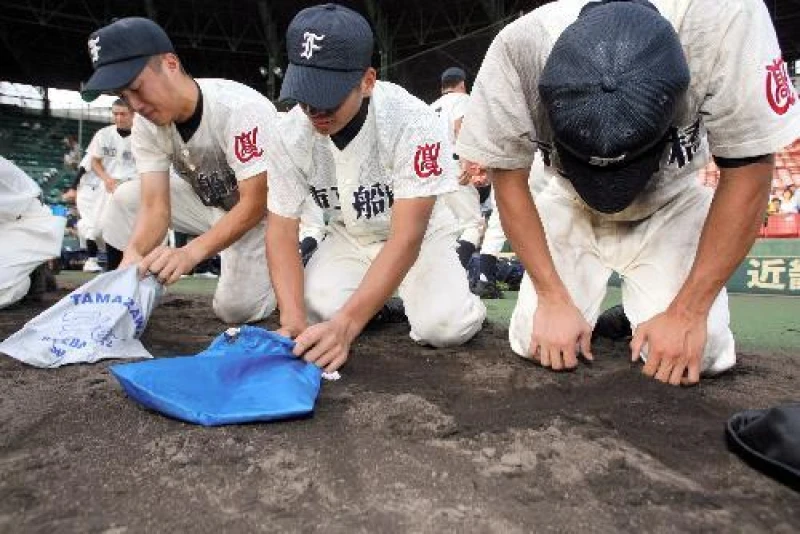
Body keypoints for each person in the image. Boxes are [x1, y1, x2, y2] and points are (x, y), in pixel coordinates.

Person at [457, 0, 800, 385]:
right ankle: (631, 305)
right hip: (569, 197)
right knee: (532, 341)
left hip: (670, 198)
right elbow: (508, 175)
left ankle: (639, 308)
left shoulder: (724, 19)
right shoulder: (520, 46)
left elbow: (750, 167)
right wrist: (551, 297)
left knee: (700, 355)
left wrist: (688, 312)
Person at [266, 3, 486, 372]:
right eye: (305, 92)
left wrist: (347, 326)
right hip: (350, 235)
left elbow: (406, 237)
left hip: (419, 237)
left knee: (444, 326)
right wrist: (291, 318)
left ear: (367, 81)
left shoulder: (412, 120)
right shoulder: (288, 132)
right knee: (316, 309)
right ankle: (382, 304)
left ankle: (460, 295)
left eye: (328, 93)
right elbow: (280, 231)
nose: (314, 108)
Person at [81, 17, 280, 323]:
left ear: (170, 64)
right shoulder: (146, 124)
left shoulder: (240, 108)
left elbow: (255, 204)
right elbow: (154, 206)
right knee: (124, 197)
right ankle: (127, 289)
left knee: (235, 310)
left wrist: (191, 253)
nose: (135, 106)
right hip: (210, 204)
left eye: (137, 88)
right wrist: (133, 255)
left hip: (265, 217)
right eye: (124, 96)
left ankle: (297, 261)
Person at [430, 67, 485, 269]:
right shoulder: (463, 99)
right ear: (462, 84)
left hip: (432, 171)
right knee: (473, 225)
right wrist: (467, 162)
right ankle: (454, 275)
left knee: (447, 229)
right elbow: (460, 127)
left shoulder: (432, 106)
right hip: (454, 167)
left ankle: (439, 276)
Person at [0, 157, 65, 308]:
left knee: (5, 291)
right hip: (13, 214)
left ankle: (35, 284)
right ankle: (38, 280)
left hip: (28, 213)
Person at [83, 99, 138, 270]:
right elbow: (94, 161)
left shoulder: (142, 135)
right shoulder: (103, 134)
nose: (119, 118)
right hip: (109, 186)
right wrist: (106, 178)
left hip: (133, 187)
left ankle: (123, 266)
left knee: (130, 230)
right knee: (100, 228)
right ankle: (101, 261)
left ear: (133, 114)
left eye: (123, 114)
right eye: (115, 114)